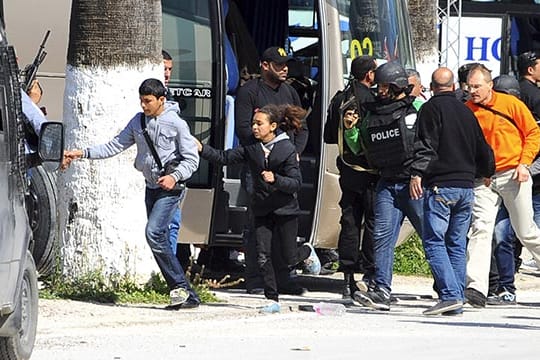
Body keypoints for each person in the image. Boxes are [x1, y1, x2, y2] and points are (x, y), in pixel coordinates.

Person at [63, 78, 201, 309]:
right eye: (141, 100)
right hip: (151, 187)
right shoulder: (138, 121)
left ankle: (179, 287)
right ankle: (186, 293)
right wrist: (82, 153)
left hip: (171, 189)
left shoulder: (176, 124)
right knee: (160, 238)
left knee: (153, 233)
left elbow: (192, 159)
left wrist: (174, 176)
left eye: (148, 101)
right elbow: (114, 145)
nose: (144, 106)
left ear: (161, 100)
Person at [197, 104, 319, 313]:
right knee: (263, 255)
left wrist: (276, 179)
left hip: (285, 211)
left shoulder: (286, 149)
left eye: (259, 124)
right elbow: (225, 157)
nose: (254, 127)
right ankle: (272, 299)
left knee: (288, 258)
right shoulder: (252, 148)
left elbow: (296, 183)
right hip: (261, 209)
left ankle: (306, 251)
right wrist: (201, 149)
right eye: (253, 123)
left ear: (272, 126)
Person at [344, 61, 430, 311]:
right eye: (378, 86)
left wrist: (419, 174)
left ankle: (450, 286)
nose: (379, 91)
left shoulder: (416, 110)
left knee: (431, 236)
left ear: (397, 86)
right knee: (381, 238)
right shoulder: (372, 113)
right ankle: (381, 289)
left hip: (414, 184)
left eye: (384, 86)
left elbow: (426, 147)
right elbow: (360, 147)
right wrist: (351, 130)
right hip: (387, 182)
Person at [412, 67, 495, 316]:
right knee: (457, 244)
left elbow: (426, 144)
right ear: (454, 86)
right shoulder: (467, 112)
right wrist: (486, 172)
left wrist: (417, 173)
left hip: (441, 185)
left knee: (434, 241)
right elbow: (483, 147)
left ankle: (449, 295)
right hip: (466, 187)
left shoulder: (430, 109)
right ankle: (457, 296)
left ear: (432, 86)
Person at [234, 46, 311, 295]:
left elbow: (303, 128)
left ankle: (286, 277)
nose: (284, 68)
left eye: (286, 64)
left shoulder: (290, 91)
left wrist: (294, 150)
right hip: (257, 167)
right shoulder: (250, 92)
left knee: (285, 224)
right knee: (257, 223)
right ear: (265, 65)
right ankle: (256, 278)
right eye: (279, 64)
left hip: (285, 168)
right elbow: (244, 129)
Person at [464, 64, 540, 308]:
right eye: (469, 86)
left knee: (525, 231)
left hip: (513, 174)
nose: (472, 90)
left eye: (477, 86)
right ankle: (475, 287)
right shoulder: (468, 110)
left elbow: (533, 134)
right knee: (481, 228)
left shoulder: (511, 105)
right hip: (484, 179)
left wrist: (524, 164)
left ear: (490, 85)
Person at [323, 55, 378, 302]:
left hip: (346, 170)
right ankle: (370, 277)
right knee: (374, 225)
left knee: (350, 222)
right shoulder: (371, 100)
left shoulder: (339, 98)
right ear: (369, 75)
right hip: (370, 171)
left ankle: (347, 278)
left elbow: (326, 135)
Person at [161, 49, 192, 270]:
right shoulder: (153, 101)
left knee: (172, 225)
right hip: (160, 175)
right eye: (164, 69)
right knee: (167, 225)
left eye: (170, 69)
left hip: (174, 172)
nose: (168, 74)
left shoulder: (169, 100)